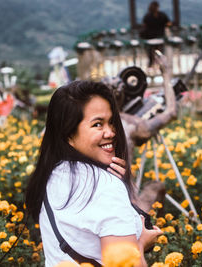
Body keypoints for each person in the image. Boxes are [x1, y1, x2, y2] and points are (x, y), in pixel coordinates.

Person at [25, 81, 162, 267]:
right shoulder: (105, 187)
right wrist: (141, 243)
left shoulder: (52, 175)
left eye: (112, 122)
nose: (111, 132)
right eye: (98, 124)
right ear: (68, 134)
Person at [140, 1, 171, 70]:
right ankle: (161, 65)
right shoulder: (162, 15)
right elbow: (168, 24)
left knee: (150, 52)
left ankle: (151, 64)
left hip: (150, 38)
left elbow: (144, 26)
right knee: (160, 52)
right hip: (160, 37)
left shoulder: (147, 16)